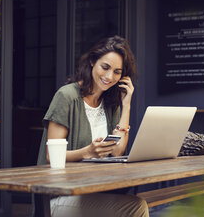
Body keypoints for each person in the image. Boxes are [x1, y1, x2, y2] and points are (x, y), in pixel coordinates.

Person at [37, 35, 149, 217]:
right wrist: (87, 152)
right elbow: (52, 156)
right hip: (61, 196)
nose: (109, 77)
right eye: (105, 67)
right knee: (135, 207)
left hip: (96, 189)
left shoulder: (110, 101)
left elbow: (117, 151)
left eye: (117, 72)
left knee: (135, 203)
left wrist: (127, 104)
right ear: (92, 62)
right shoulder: (66, 97)